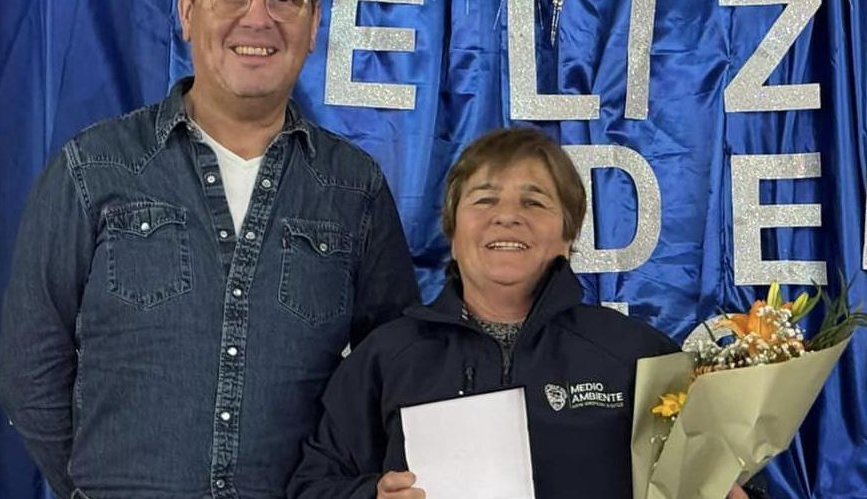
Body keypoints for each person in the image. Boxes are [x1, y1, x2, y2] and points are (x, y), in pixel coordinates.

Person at [0, 0, 419, 499]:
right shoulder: (93, 168)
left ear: (314, 23)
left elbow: (392, 371)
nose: (258, 17)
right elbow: (30, 369)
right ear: (188, 10)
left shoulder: (353, 187)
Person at [288, 127, 761, 499]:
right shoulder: (388, 356)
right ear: (452, 231)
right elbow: (311, 485)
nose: (507, 216)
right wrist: (372, 495)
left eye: (533, 202)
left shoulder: (636, 354)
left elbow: (712, 476)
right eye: (484, 199)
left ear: (568, 234)